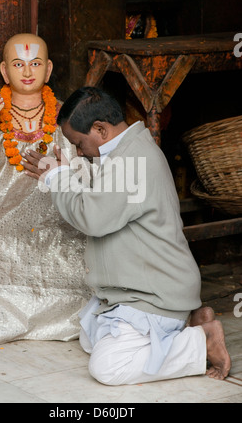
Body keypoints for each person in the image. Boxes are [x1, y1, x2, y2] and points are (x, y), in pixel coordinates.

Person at [22, 86, 231, 384]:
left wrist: (57, 177)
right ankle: (185, 326)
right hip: (141, 290)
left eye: (79, 143)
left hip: (154, 294)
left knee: (108, 367)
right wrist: (64, 175)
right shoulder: (127, 150)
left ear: (100, 129)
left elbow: (92, 217)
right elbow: (103, 201)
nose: (79, 151)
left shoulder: (131, 161)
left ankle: (200, 342)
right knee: (90, 338)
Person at [0, 34, 90, 350]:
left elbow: (89, 172)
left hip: (59, 208)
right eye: (18, 63)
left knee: (83, 246)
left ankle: (76, 321)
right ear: (4, 70)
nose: (28, 71)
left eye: (36, 63)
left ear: (48, 69)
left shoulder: (69, 114)